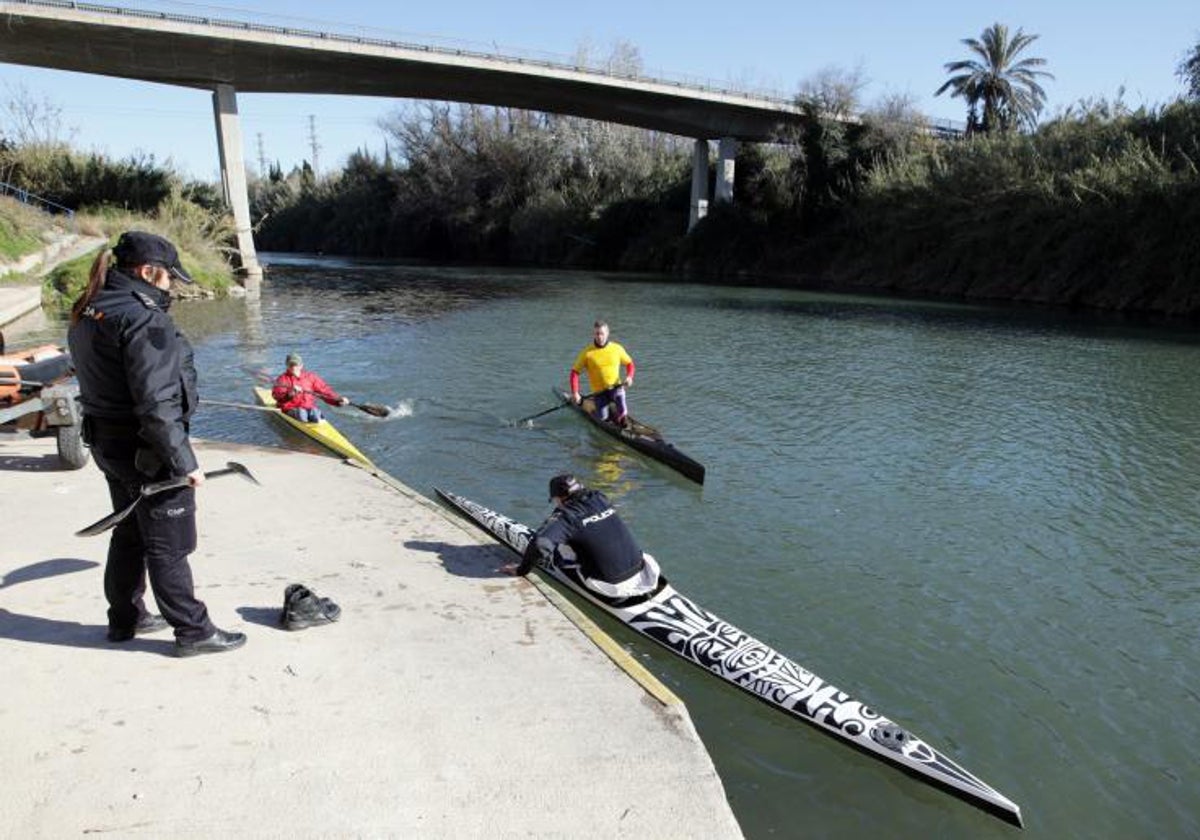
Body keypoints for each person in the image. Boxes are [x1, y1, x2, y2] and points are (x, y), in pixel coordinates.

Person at [67, 230, 245, 657]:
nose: (173, 288)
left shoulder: (91, 306)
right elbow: (156, 401)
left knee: (128, 532)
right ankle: (193, 631)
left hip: (107, 445)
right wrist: (184, 461)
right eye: (169, 279)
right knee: (170, 543)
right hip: (147, 451)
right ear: (149, 272)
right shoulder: (145, 318)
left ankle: (125, 620)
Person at [501, 474, 660, 599]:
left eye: (554, 500)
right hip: (643, 570)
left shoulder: (567, 515)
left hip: (610, 585)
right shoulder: (599, 498)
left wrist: (522, 570)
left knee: (555, 546)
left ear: (560, 498)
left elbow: (540, 543)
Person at [570, 320, 635, 426]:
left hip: (615, 388)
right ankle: (586, 404)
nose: (600, 337)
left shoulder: (616, 348)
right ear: (594, 334)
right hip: (599, 393)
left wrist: (629, 377)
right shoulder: (587, 353)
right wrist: (575, 393)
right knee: (603, 420)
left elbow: (630, 364)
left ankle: (622, 418)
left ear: (607, 333)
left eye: (602, 333)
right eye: (597, 334)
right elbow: (574, 373)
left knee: (621, 399)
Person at [271, 353, 349, 423]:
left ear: (301, 365)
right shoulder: (282, 379)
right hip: (290, 408)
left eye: (296, 364)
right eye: (291, 365)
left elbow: (324, 391)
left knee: (315, 413)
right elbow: (277, 396)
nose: (294, 367)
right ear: (287, 365)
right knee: (301, 413)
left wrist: (338, 400)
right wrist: (291, 393)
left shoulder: (311, 377)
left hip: (308, 407)